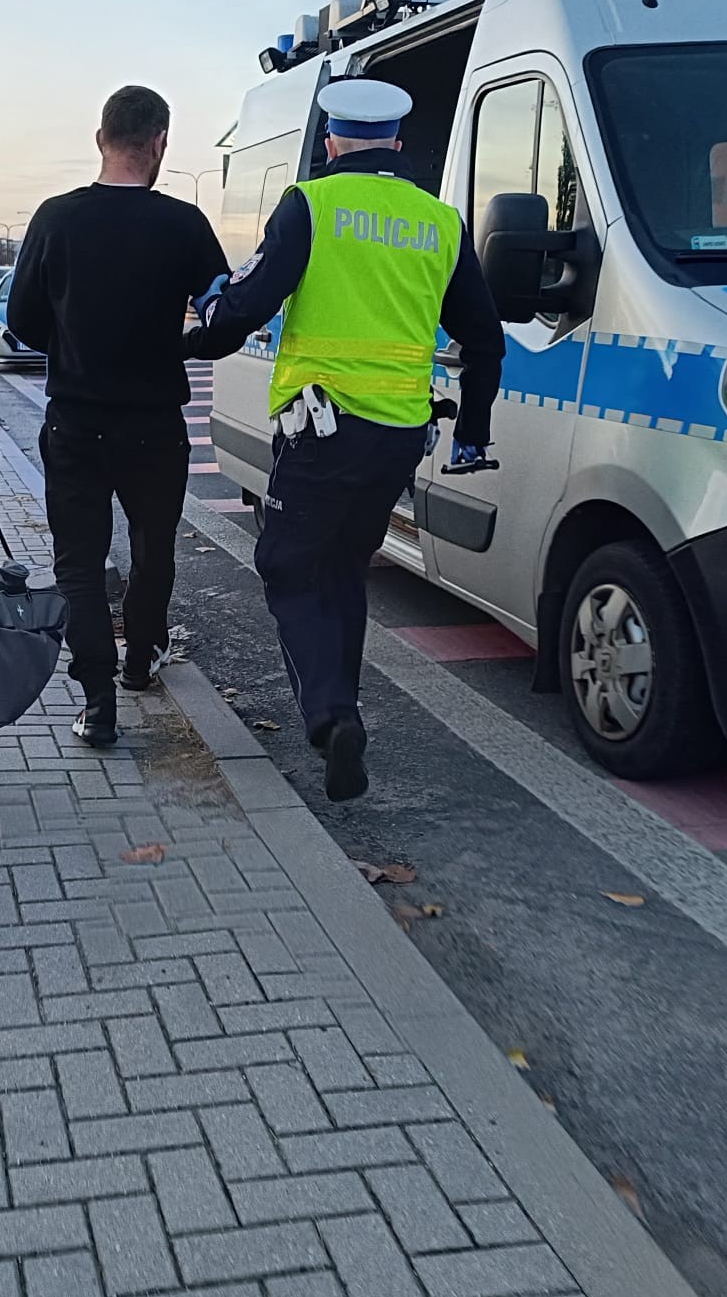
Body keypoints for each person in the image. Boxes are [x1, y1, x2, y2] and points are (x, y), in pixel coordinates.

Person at [185, 77, 502, 801]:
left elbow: (249, 304)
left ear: (330, 143)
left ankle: (332, 718)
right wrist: (473, 430)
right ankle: (343, 709)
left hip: (321, 430)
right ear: (397, 143)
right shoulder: (440, 221)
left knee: (290, 565)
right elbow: (485, 338)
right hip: (400, 435)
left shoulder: (312, 203)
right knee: (344, 569)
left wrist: (199, 336)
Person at [10, 86, 229, 746]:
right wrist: (184, 344)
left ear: (100, 138)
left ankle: (97, 701)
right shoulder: (184, 224)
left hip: (75, 421)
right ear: (160, 142)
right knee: (152, 547)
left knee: (78, 562)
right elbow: (225, 318)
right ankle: (141, 659)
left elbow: (22, 318)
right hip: (155, 424)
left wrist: (72, 349)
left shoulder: (56, 218)